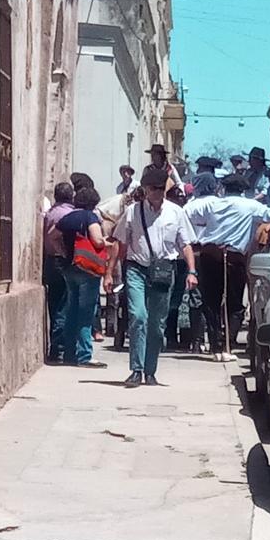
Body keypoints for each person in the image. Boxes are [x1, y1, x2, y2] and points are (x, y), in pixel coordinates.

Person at [109, 166, 199, 387]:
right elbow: (120, 243)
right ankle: (136, 370)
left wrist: (192, 271)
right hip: (137, 268)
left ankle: (150, 370)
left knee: (157, 324)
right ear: (145, 189)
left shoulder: (176, 213)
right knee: (138, 316)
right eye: (153, 188)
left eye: (160, 188)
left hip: (163, 271)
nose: (157, 192)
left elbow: (185, 244)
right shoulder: (133, 212)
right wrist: (109, 272)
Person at [186, 173, 270, 361]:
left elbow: (188, 215)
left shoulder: (212, 204)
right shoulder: (249, 205)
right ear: (243, 190)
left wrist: (200, 227)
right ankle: (228, 346)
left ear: (223, 188)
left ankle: (215, 346)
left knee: (211, 302)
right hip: (234, 256)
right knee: (235, 303)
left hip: (210, 253)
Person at [48, 186, 109, 368]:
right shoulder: (90, 217)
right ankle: (84, 355)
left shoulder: (67, 217)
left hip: (69, 267)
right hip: (87, 268)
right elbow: (97, 240)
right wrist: (109, 243)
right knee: (86, 312)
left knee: (71, 310)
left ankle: (68, 353)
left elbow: (52, 236)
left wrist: (64, 252)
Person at [42, 182, 76, 363]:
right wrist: (64, 253)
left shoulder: (50, 213)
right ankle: (59, 349)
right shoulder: (70, 214)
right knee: (64, 306)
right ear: (71, 196)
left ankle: (55, 348)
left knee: (54, 306)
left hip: (49, 261)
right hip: (62, 261)